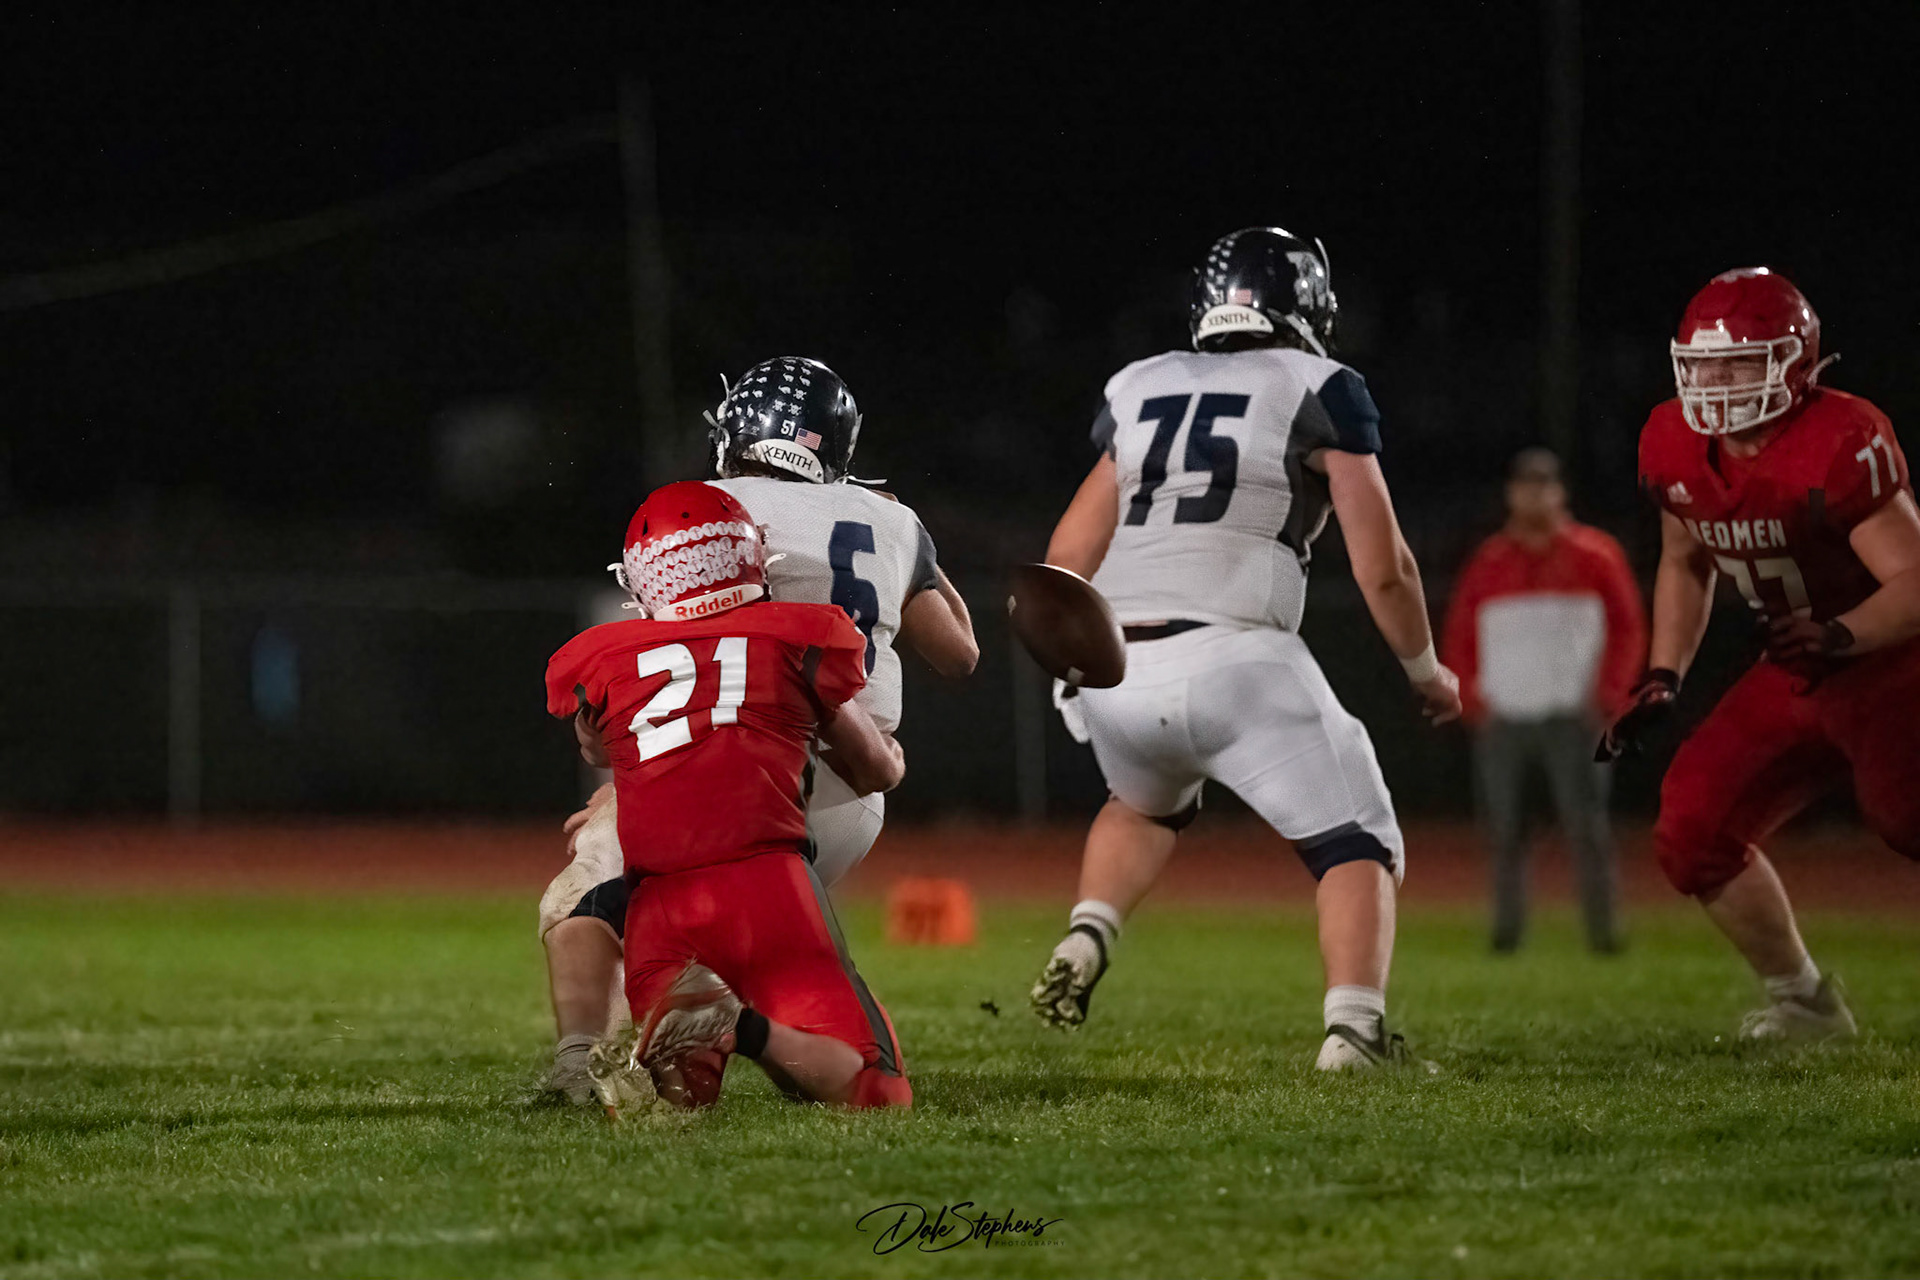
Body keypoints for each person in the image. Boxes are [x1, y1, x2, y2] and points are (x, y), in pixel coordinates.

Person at [1028, 226, 1462, 1069]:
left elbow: (1067, 553)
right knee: (1360, 840)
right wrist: (1424, 669)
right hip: (1233, 653)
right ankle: (1355, 1033)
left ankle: (1088, 933)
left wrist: (1070, 661)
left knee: (1144, 804)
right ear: (1309, 306)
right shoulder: (1318, 384)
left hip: (1116, 664)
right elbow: (1385, 568)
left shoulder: (1140, 383)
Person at [538, 358, 976, 1104]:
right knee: (829, 1043)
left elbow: (651, 685)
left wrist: (628, 785)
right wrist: (908, 535)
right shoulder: (892, 523)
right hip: (847, 799)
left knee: (586, 897)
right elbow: (960, 654)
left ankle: (587, 1066)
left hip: (712, 777)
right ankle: (742, 1028)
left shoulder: (701, 513)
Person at [1599, 267, 1920, 1039]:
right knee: (1693, 831)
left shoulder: (1838, 438)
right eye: (1704, 366)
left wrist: (1843, 633)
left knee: (1907, 820)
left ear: (1796, 364)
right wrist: (1664, 674)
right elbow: (1685, 561)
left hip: (1891, 664)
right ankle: (1806, 1005)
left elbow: (1914, 578)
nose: (1717, 384)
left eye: (1740, 363)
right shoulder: (1673, 441)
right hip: (1798, 667)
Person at [544, 480, 912, 1109]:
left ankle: (637, 1045)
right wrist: (892, 757)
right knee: (873, 1089)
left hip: (659, 908)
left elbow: (596, 747)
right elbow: (875, 769)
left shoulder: (603, 657)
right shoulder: (799, 636)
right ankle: (744, 1030)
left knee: (679, 1099)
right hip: (766, 887)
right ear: (749, 556)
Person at [1442, 447, 1645, 953]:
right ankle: (1506, 933)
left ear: (1560, 493)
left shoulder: (1596, 555)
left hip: (1575, 717)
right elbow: (1460, 635)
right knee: (1504, 831)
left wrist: (1609, 696)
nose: (1534, 497)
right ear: (1512, 494)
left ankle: (1604, 934)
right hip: (1504, 719)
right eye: (1525, 487)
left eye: (1543, 486)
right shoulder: (1489, 561)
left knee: (1587, 829)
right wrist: (1472, 701)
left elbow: (1628, 629)